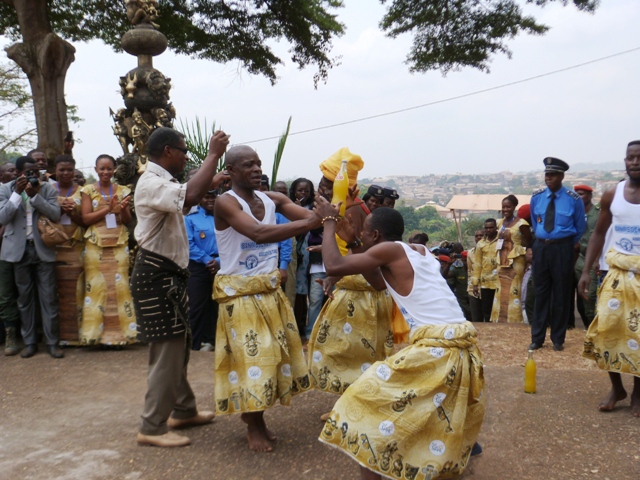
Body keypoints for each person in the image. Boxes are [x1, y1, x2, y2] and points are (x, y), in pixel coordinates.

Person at [314, 205, 485, 480]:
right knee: (428, 412)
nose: (360, 234)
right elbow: (380, 283)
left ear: (376, 234)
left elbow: (333, 265)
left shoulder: (390, 250)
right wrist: (355, 243)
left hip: (437, 349)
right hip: (460, 345)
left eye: (364, 232)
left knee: (357, 406)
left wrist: (329, 223)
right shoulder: (419, 251)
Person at [212, 144, 321, 452]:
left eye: (259, 164)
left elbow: (309, 215)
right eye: (249, 165)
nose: (257, 169)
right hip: (241, 295)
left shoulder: (272, 199)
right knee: (255, 358)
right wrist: (311, 223)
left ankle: (255, 416)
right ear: (231, 171)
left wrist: (328, 212)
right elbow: (258, 233)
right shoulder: (225, 202)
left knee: (271, 357)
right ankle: (254, 423)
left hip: (269, 292)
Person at [132, 127, 228, 448]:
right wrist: (213, 154)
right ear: (169, 151)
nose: (187, 156)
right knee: (167, 350)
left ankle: (184, 409)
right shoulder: (150, 183)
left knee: (178, 344)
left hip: (166, 274)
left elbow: (190, 195)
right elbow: (189, 196)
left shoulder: (163, 182)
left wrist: (209, 180)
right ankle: (152, 426)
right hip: (157, 275)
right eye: (184, 151)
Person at [307, 149, 393, 407]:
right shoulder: (341, 208)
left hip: (362, 292)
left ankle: (355, 405)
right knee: (347, 350)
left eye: (328, 182)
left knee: (354, 352)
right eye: (321, 180)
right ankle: (351, 403)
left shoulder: (352, 212)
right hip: (349, 287)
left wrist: (335, 270)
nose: (322, 186)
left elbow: (363, 253)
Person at [580, 141, 640, 416]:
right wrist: (585, 270)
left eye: (639, 157)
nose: (635, 162)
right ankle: (617, 387)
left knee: (638, 334)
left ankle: (638, 394)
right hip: (615, 273)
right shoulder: (612, 195)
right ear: (624, 160)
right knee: (607, 330)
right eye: (630, 157)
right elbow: (599, 233)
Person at [0, 156, 63, 358]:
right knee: (24, 300)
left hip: (42, 248)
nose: (33, 176)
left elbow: (55, 214)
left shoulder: (46, 189)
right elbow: (2, 217)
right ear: (18, 172)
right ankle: (29, 342)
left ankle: (52, 343)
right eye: (28, 172)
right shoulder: (5, 189)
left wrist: (35, 197)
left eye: (35, 172)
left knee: (48, 298)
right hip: (18, 250)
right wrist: (17, 193)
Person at [529, 157, 586, 351]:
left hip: (562, 248)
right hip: (541, 247)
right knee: (541, 293)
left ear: (562, 176)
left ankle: (557, 339)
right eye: (547, 174)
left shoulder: (573, 199)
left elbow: (580, 227)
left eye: (553, 175)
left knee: (561, 294)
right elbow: (535, 223)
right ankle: (537, 338)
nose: (549, 178)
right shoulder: (536, 197)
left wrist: (564, 242)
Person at [80, 155, 137, 346]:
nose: (106, 172)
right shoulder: (87, 190)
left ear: (114, 170)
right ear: (96, 169)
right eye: (102, 169)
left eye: (109, 168)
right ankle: (94, 336)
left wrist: (121, 209)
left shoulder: (123, 190)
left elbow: (128, 221)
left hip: (119, 242)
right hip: (95, 245)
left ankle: (121, 336)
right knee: (96, 287)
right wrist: (108, 209)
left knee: (119, 288)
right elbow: (86, 219)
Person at [53, 155, 85, 345]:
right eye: (62, 170)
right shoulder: (48, 190)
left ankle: (76, 336)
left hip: (75, 247)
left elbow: (86, 222)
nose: (65, 173)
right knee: (57, 292)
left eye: (69, 170)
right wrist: (58, 209)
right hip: (52, 248)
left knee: (75, 290)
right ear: (55, 170)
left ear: (74, 170)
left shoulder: (83, 192)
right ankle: (59, 336)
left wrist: (71, 212)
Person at [184, 188, 220, 351]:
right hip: (199, 266)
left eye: (213, 196)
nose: (210, 200)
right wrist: (207, 259)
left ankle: (214, 340)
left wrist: (219, 260)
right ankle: (194, 342)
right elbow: (189, 244)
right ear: (199, 199)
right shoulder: (190, 219)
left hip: (222, 264)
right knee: (197, 304)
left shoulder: (224, 217)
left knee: (217, 305)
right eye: (206, 197)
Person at [492, 195, 532, 323]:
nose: (505, 209)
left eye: (508, 207)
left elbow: (530, 241)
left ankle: (515, 320)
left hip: (516, 261)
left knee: (514, 289)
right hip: (501, 259)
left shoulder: (521, 223)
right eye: (503, 207)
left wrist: (526, 256)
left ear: (514, 207)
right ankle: (499, 319)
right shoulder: (499, 223)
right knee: (500, 289)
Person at [289, 177, 315, 339]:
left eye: (306, 190)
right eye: (300, 190)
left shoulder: (314, 208)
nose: (303, 193)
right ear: (294, 191)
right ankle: (298, 326)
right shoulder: (289, 208)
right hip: (298, 256)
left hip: (313, 256)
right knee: (298, 293)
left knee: (314, 294)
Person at [0, 162, 21, 355]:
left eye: (15, 170)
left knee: (20, 293)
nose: (14, 173)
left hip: (14, 250)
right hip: (4, 252)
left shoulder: (23, 191)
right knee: (5, 295)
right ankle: (10, 334)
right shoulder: (2, 192)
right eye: (9, 171)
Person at [259, 174, 293, 288]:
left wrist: (283, 266)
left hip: (274, 258)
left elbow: (286, 239)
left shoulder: (276, 209)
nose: (259, 191)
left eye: (263, 189)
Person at [573, 184, 599, 329]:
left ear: (590, 196)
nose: (578, 197)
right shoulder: (574, 214)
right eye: (576, 194)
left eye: (581, 194)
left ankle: (592, 328)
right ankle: (587, 328)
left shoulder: (598, 213)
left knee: (590, 297)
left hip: (594, 259)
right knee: (581, 299)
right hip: (578, 259)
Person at [471, 219, 499, 322]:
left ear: (496, 227)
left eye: (491, 227)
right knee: (486, 310)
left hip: (499, 281)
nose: (489, 230)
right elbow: (477, 265)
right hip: (485, 282)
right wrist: (475, 284)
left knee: (498, 309)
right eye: (486, 228)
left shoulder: (502, 240)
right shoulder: (480, 244)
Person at [447, 243, 471, 320]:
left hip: (473, 299)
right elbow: (445, 276)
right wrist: (448, 264)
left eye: (468, 260)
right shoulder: (458, 268)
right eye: (464, 260)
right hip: (461, 299)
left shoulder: (477, 269)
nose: (466, 263)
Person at [467, 229, 484, 322]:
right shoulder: (470, 253)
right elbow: (470, 271)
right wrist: (472, 286)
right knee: (476, 319)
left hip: (487, 288)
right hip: (473, 290)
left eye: (481, 235)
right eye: (477, 236)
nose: (479, 237)